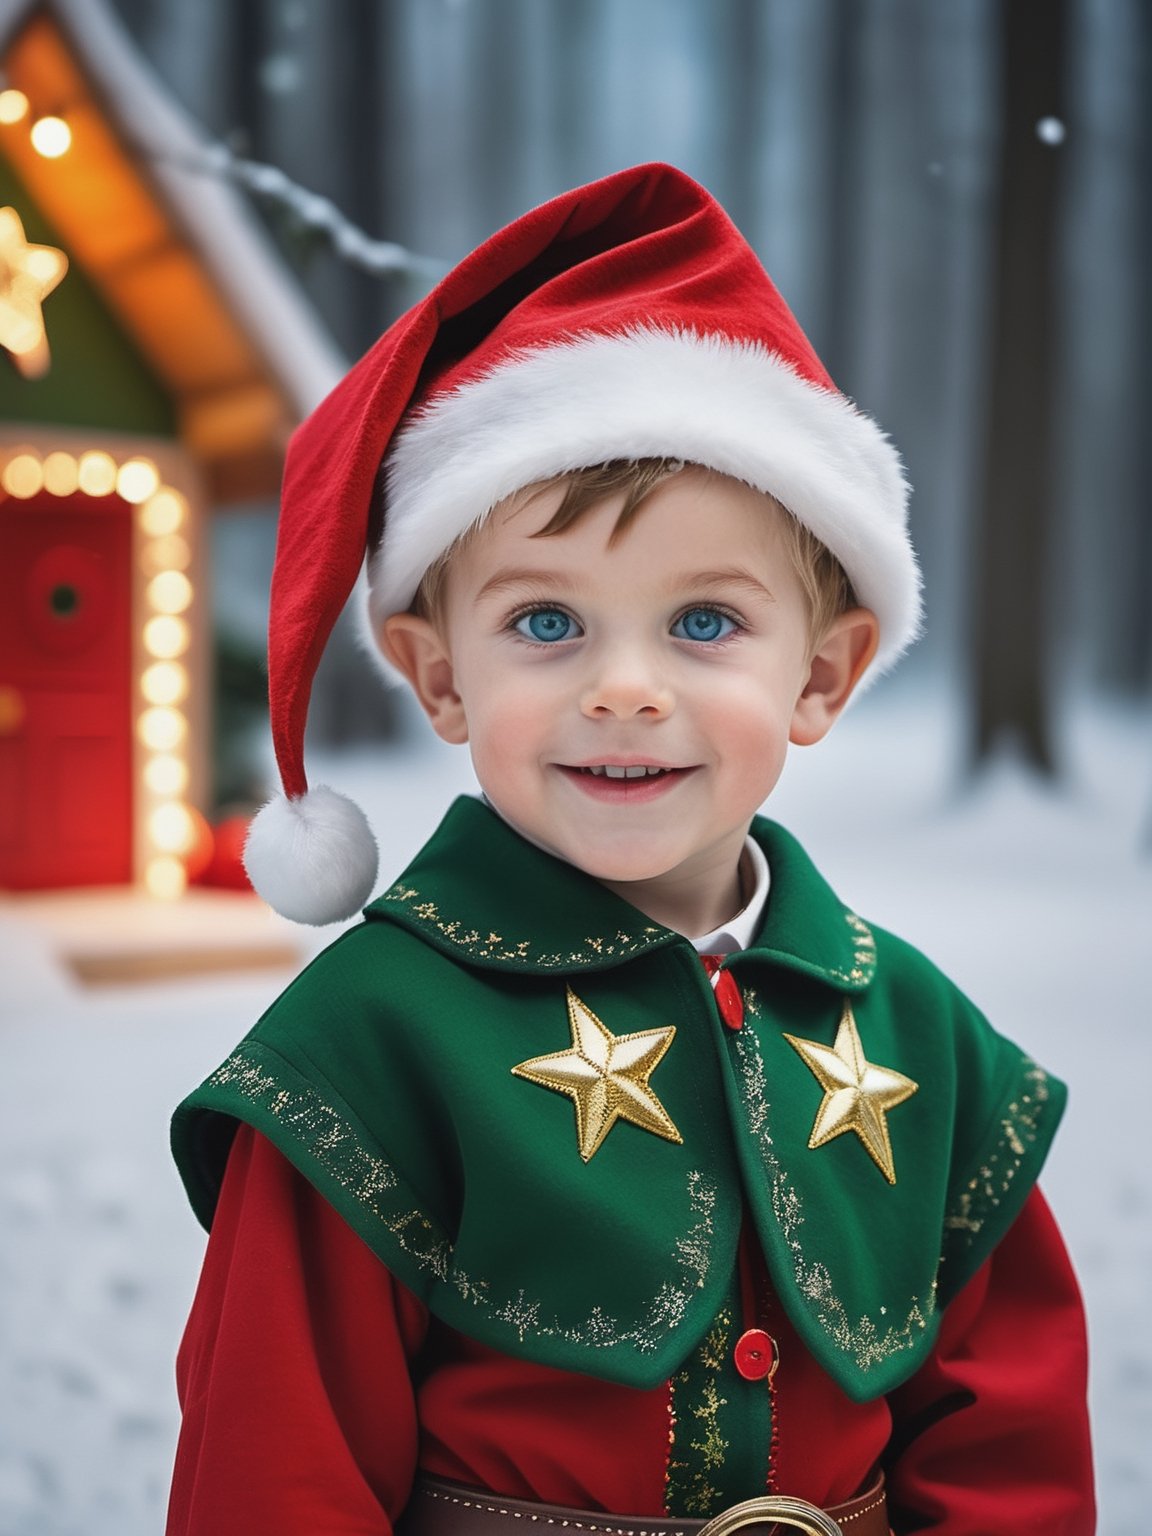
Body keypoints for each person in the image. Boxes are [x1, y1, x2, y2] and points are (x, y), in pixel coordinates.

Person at [166, 164, 1094, 1535]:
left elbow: (1010, 1444)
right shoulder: (367, 1046)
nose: (625, 688)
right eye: (547, 623)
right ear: (437, 679)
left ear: (825, 677)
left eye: (705, 623)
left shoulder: (921, 1037)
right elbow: (273, 1469)